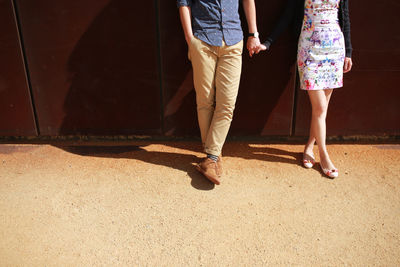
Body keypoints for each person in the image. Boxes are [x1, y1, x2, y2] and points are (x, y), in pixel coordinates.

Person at [261, 0, 353, 178]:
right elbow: (287, 16)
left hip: (335, 49)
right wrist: (268, 42)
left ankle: (309, 147)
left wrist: (348, 51)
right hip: (310, 50)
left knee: (321, 111)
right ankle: (324, 156)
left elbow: (345, 18)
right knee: (319, 108)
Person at [177, 0, 263, 185]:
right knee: (205, 101)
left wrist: (253, 33)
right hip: (203, 40)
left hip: (233, 41)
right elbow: (183, 3)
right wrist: (190, 39)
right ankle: (214, 156)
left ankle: (211, 157)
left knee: (227, 103)